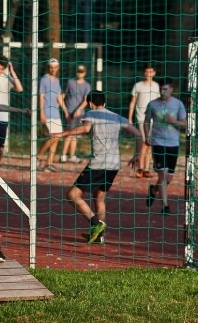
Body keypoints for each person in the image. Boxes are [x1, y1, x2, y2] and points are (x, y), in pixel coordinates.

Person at [52, 91, 142, 243]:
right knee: (99, 199)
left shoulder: (91, 114)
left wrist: (62, 134)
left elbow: (85, 129)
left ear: (89, 103)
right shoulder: (116, 117)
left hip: (98, 163)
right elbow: (139, 134)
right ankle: (99, 237)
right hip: (114, 164)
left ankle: (96, 223)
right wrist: (137, 155)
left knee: (72, 195)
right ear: (104, 103)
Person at [143, 78, 187, 214]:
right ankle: (165, 206)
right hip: (158, 143)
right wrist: (147, 135)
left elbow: (184, 124)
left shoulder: (178, 104)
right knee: (162, 175)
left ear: (171, 90)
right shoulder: (152, 104)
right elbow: (146, 121)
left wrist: (173, 121)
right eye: (161, 89)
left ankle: (153, 190)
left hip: (173, 143)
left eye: (165, 89)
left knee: (168, 179)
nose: (163, 91)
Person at [128, 64, 160, 178]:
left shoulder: (156, 86)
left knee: (150, 144)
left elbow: (159, 102)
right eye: (146, 71)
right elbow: (132, 102)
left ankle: (146, 169)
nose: (148, 74)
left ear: (154, 73)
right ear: (143, 72)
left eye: (150, 72)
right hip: (141, 118)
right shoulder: (138, 85)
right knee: (144, 142)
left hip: (153, 119)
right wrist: (129, 118)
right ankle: (140, 167)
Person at [37, 58, 68, 171]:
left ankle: (48, 163)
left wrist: (66, 111)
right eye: (51, 67)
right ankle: (37, 156)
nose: (53, 69)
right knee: (53, 137)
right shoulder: (44, 80)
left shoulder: (57, 80)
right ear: (48, 68)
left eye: (55, 67)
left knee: (57, 137)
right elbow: (41, 97)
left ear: (58, 68)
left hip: (56, 113)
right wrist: (42, 113)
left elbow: (59, 97)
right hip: (47, 112)